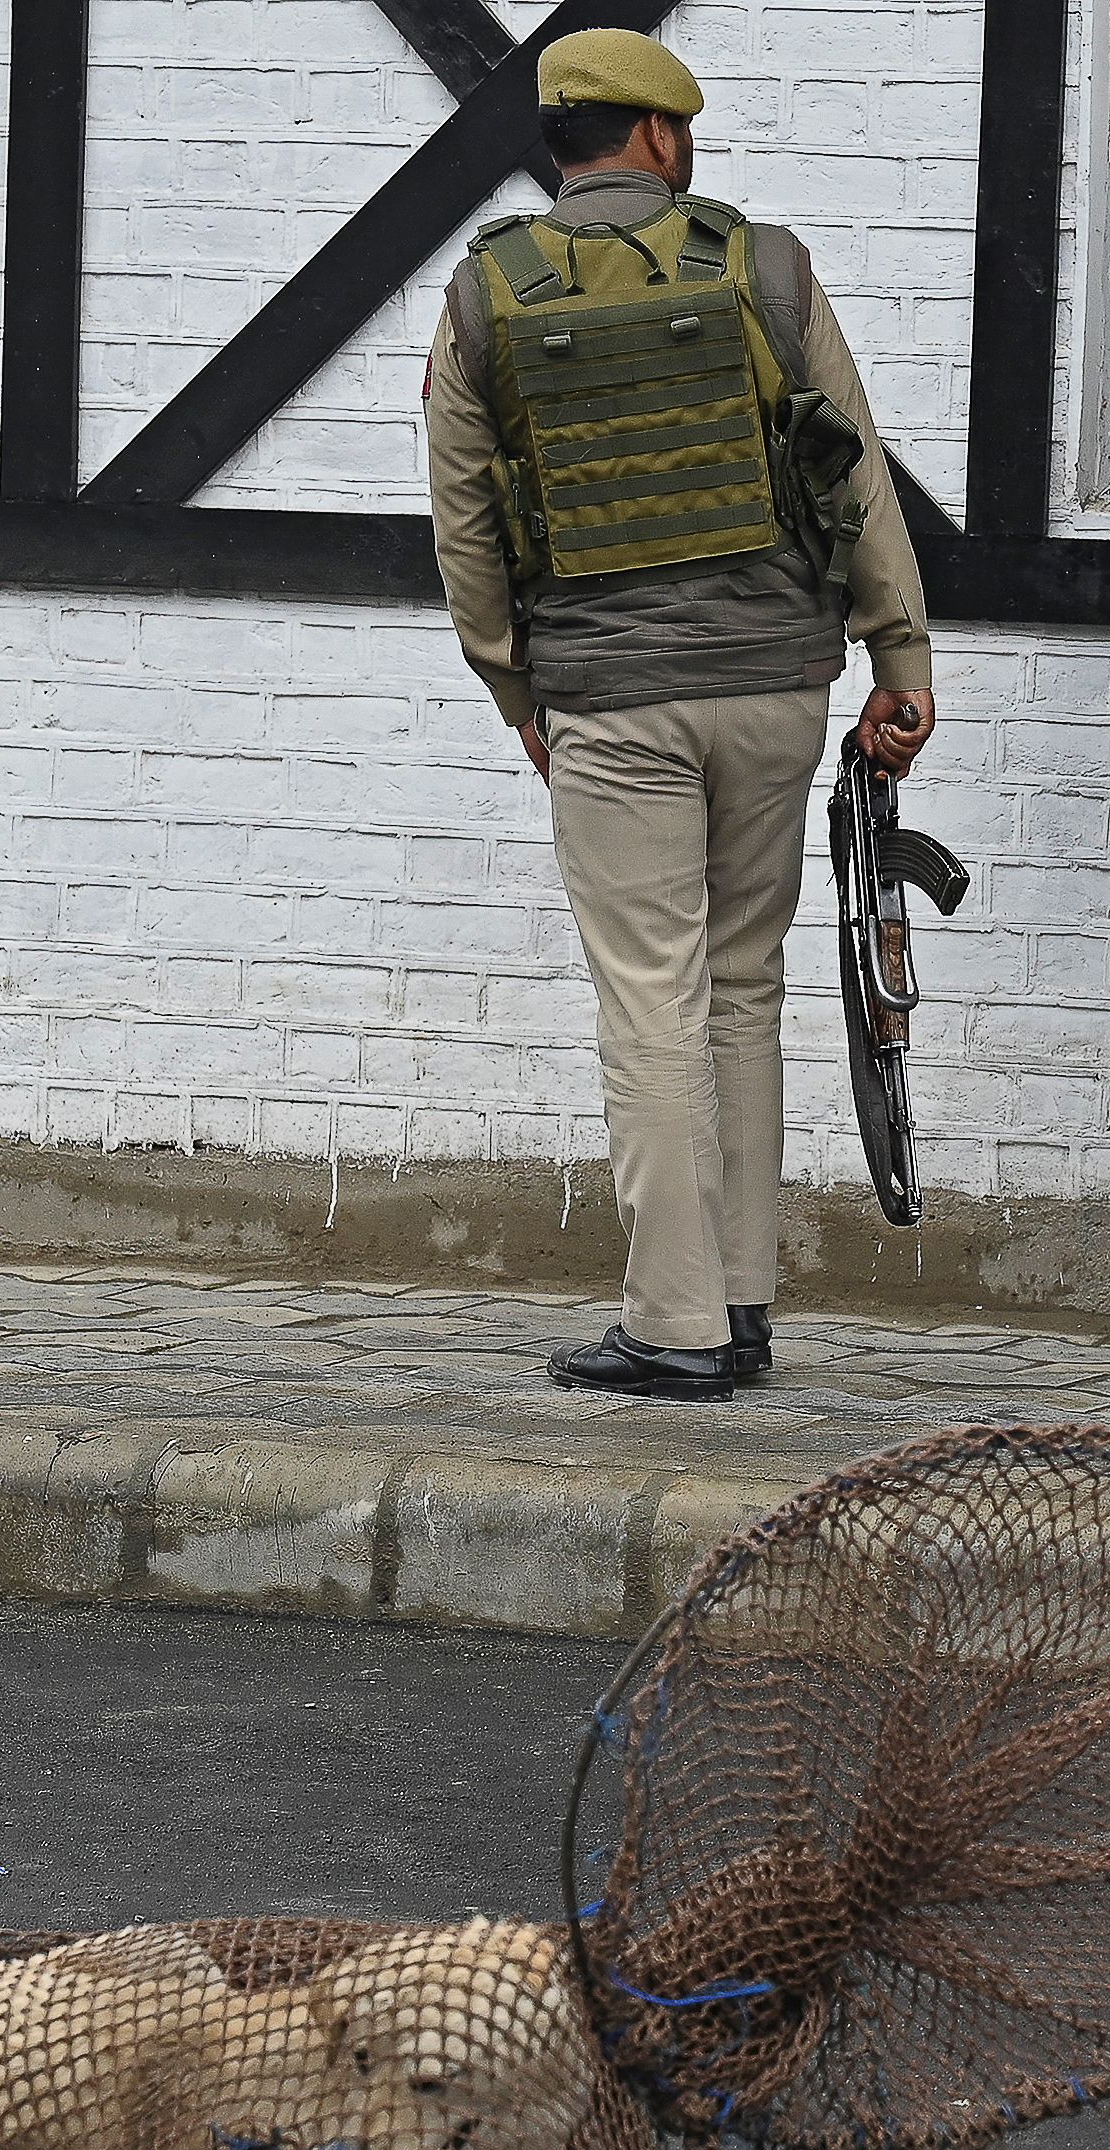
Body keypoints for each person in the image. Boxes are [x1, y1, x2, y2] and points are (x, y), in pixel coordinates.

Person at [425, 29, 936, 1403]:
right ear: (656, 138)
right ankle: (747, 1301)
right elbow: (856, 471)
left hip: (608, 698)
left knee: (649, 997)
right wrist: (900, 655)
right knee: (742, 988)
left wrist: (512, 690)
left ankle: (674, 1321)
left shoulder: (485, 298)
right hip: (774, 683)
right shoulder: (763, 267)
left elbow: (467, 533)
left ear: (562, 144)